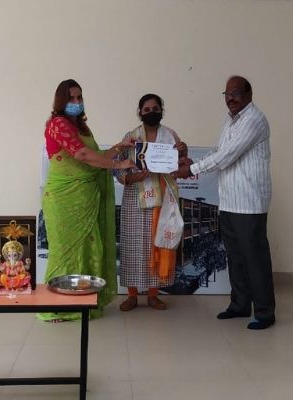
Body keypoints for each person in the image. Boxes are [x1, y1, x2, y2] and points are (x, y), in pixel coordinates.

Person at [173, 75, 275, 330]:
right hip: (229, 200)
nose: (231, 98)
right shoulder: (230, 120)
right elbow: (218, 150)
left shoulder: (254, 120)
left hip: (249, 202)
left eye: (236, 93)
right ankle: (240, 305)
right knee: (235, 256)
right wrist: (192, 162)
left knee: (255, 258)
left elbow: (227, 156)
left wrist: (192, 169)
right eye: (227, 94)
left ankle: (265, 312)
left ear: (249, 94)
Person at [39, 79, 135, 322]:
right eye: (71, 98)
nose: (77, 102)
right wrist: (117, 165)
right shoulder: (58, 124)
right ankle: (55, 308)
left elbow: (97, 156)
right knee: (64, 252)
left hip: (86, 199)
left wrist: (119, 147)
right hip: (64, 199)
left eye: (79, 97)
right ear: (61, 101)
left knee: (90, 248)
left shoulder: (81, 127)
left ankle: (83, 303)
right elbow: (81, 154)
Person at [114, 94, 188, 311]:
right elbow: (117, 167)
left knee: (156, 244)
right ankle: (132, 295)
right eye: (146, 110)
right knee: (133, 246)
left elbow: (180, 166)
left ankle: (154, 294)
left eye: (155, 108)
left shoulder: (170, 136)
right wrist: (131, 178)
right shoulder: (131, 137)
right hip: (135, 198)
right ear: (140, 113)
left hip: (162, 199)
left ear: (161, 111)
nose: (151, 112)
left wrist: (183, 152)